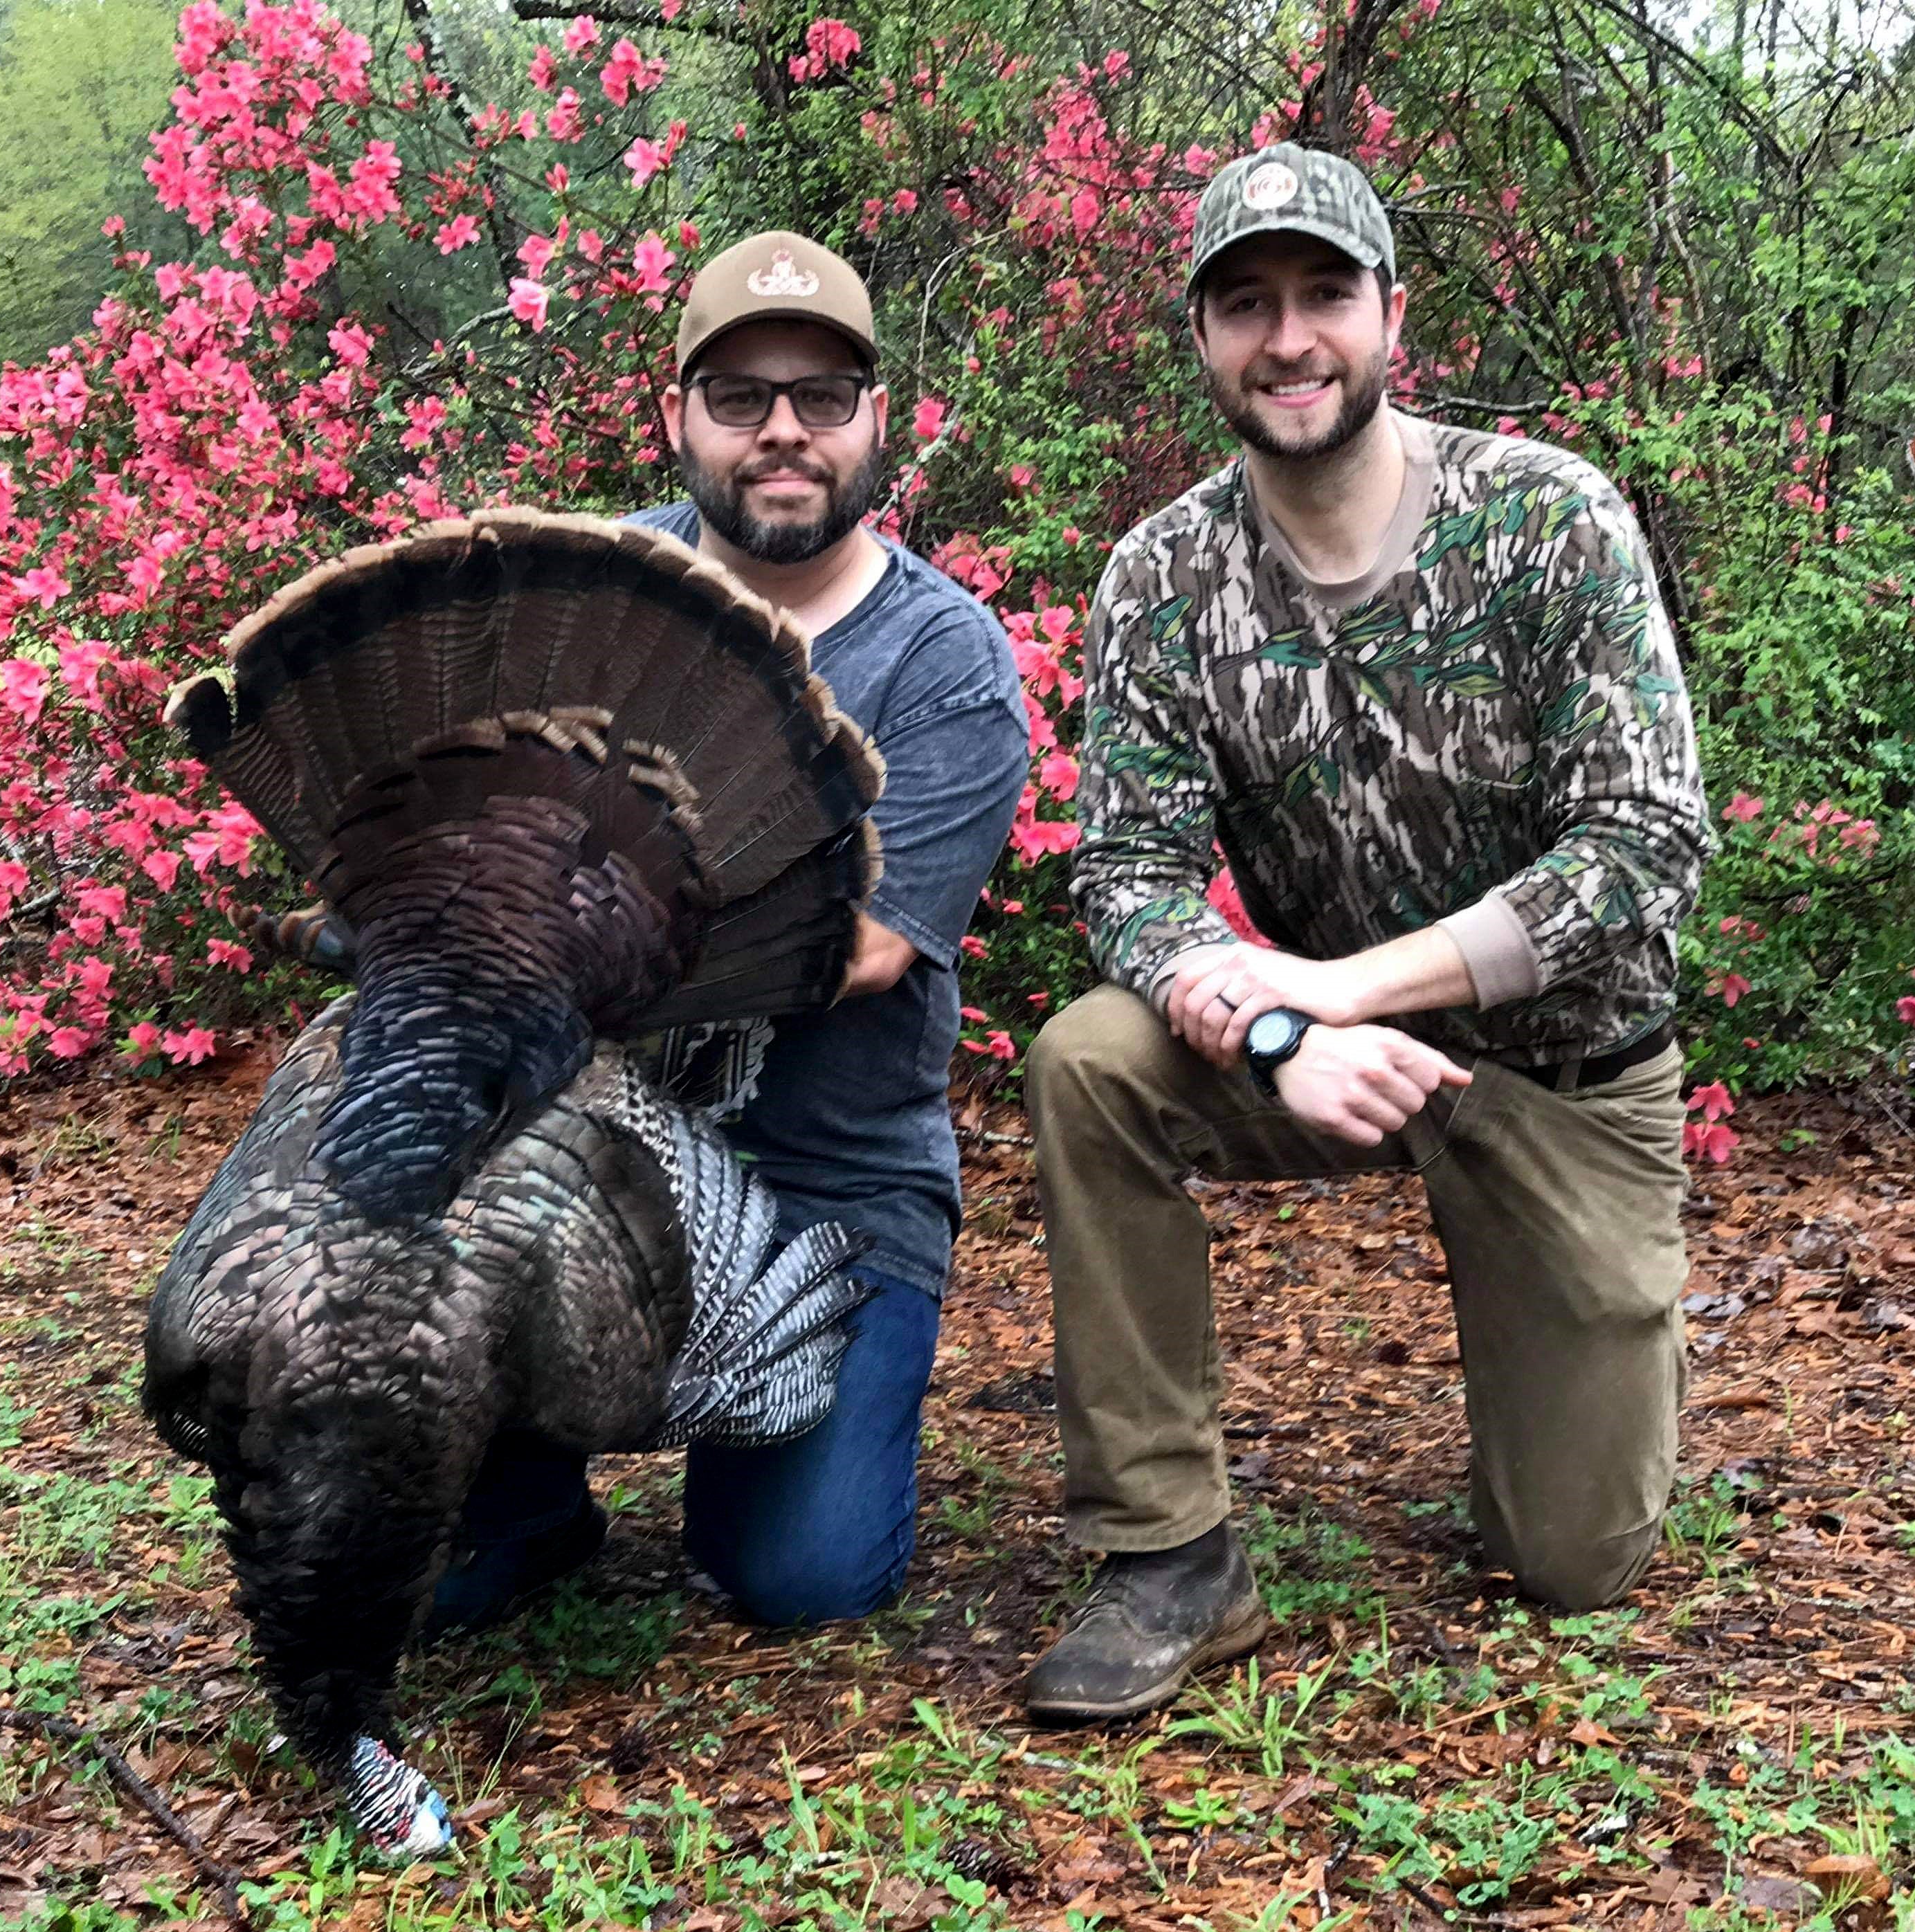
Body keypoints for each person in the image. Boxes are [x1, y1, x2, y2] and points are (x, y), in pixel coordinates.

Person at [1019, 143, 1712, 1723]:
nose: (1290, 339)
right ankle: (1169, 1552)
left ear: (1392, 313)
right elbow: (1124, 871)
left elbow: (1648, 847)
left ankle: (1611, 1333)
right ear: (1203, 338)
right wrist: (1271, 1029)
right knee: (1088, 1060)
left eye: (1325, 293)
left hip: (1560, 1072)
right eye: (1246, 304)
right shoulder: (1164, 574)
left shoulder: (1548, 520)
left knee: (1572, 1559)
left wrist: (1336, 991)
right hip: (1317, 1051)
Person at [427, 230, 1031, 1635]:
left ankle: (754, 1436)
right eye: (740, 394)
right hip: (581, 1143)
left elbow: (864, 950)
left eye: (823, 397)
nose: (782, 431)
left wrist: (563, 912)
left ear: (878, 422)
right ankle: (526, 1497)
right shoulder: (592, 596)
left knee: (797, 1576)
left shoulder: (946, 663)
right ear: (676, 416)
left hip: (829, 1180)